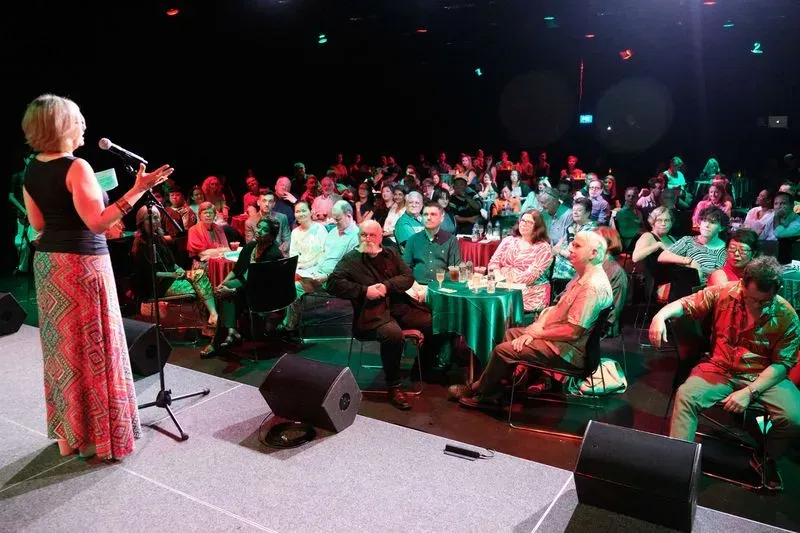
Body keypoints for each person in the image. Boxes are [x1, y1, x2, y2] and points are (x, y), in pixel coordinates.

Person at [21, 94, 173, 460]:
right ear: (62, 126)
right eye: (78, 120)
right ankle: (101, 439)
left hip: (50, 266)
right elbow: (97, 223)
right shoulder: (76, 167)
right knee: (95, 350)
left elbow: (37, 223)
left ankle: (70, 437)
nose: (84, 126)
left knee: (64, 352)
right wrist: (137, 190)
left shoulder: (30, 170)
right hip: (82, 267)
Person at [648, 256, 800, 490]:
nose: (755, 305)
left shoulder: (786, 315)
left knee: (794, 418)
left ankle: (764, 457)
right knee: (686, 396)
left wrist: (750, 392)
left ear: (775, 291)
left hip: (762, 375)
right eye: (750, 298)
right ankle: (678, 464)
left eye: (763, 301)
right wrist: (660, 316)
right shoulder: (725, 292)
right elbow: (686, 304)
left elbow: (782, 363)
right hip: (720, 367)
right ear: (742, 284)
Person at [448, 231, 612, 407]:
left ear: (593, 253)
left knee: (503, 351)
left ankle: (481, 392)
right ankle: (498, 389)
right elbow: (555, 310)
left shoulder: (591, 287)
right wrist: (535, 329)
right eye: (572, 244)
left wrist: (537, 333)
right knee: (510, 334)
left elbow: (572, 332)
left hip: (569, 352)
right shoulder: (583, 275)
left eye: (577, 246)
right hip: (558, 339)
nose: (570, 248)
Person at [327, 221, 436, 410]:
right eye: (363, 235)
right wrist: (364, 291)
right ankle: (393, 386)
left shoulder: (390, 253)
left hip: (399, 307)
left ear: (380, 237)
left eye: (372, 235)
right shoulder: (351, 259)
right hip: (373, 314)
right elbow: (332, 284)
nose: (367, 239)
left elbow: (408, 277)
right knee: (393, 335)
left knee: (433, 322)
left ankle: (422, 368)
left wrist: (387, 286)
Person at [131, 206, 217, 332]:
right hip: (158, 285)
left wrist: (179, 269)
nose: (154, 222)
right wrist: (172, 274)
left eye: (156, 218)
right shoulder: (141, 244)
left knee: (200, 276)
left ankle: (211, 318)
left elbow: (171, 262)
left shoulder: (158, 238)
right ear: (141, 222)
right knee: (200, 287)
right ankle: (210, 321)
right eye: (149, 219)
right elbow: (151, 273)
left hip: (171, 278)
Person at [207, 216, 284, 355]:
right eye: (259, 227)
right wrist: (222, 284)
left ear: (272, 236)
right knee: (225, 288)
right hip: (247, 284)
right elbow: (236, 270)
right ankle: (231, 332)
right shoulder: (250, 247)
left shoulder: (273, 254)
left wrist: (232, 291)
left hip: (263, 293)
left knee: (227, 294)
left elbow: (260, 285)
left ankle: (221, 338)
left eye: (264, 230)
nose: (259, 231)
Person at [280, 201, 359, 333]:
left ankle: (290, 326)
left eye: (338, 219)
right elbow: (323, 254)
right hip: (317, 272)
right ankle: (290, 322)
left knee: (294, 287)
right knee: (287, 278)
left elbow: (349, 268)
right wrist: (308, 268)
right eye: (334, 219)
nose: (335, 222)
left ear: (349, 216)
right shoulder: (333, 232)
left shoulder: (356, 236)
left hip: (334, 279)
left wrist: (326, 276)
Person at [487, 209, 553, 313]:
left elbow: (531, 276)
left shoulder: (544, 248)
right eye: (522, 220)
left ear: (537, 226)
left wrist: (506, 280)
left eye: (529, 222)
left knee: (503, 307)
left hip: (530, 292)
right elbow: (493, 263)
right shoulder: (508, 240)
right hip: (502, 286)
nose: (524, 224)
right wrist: (498, 276)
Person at [403, 202, 461, 286]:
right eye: (425, 214)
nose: (429, 218)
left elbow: (455, 271)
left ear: (442, 218)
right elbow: (405, 268)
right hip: (417, 286)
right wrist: (413, 285)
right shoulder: (413, 240)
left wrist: (438, 285)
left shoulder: (451, 240)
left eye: (433, 214)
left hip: (442, 286)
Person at [289, 201, 328, 271]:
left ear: (311, 212)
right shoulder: (295, 232)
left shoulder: (320, 228)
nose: (301, 214)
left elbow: (324, 251)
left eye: (304, 211)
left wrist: (308, 265)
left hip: (317, 267)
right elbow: (293, 254)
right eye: (297, 212)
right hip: (299, 267)